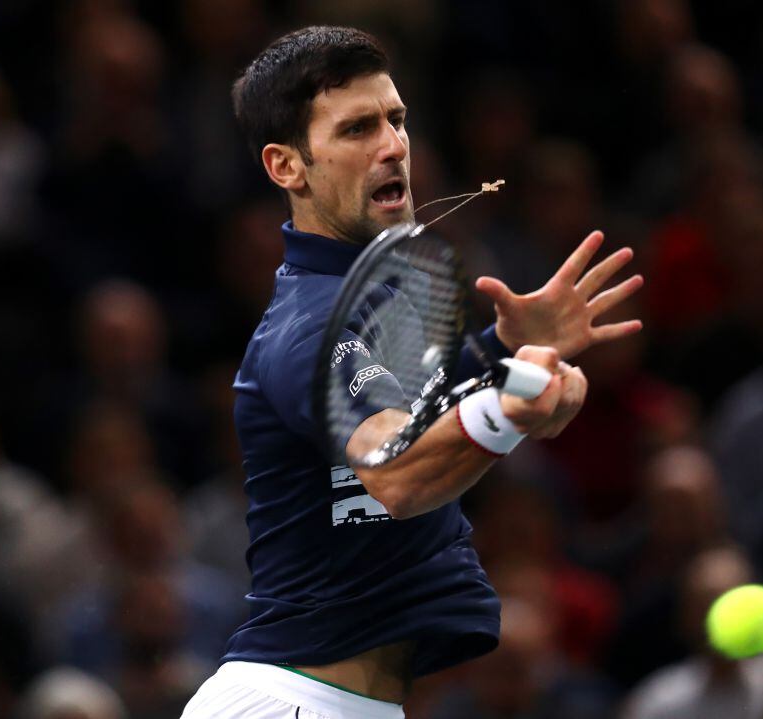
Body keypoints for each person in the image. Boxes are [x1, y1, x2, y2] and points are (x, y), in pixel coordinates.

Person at [181, 26, 642, 719]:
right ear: (287, 167)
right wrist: (508, 406)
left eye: (397, 120)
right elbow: (396, 472)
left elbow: (408, 402)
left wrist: (504, 352)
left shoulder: (369, 308)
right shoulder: (312, 325)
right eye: (358, 128)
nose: (394, 145)